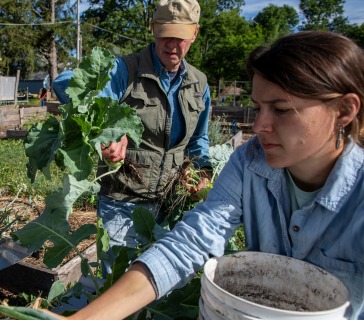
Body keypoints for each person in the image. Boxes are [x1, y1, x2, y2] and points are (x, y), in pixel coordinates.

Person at [48, 31, 364, 320]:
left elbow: (198, 141)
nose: (259, 126)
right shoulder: (249, 162)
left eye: (281, 109)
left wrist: (201, 167)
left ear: (345, 111)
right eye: (257, 108)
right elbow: (191, 243)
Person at [52, 0, 212, 259]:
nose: (171, 44)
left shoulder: (199, 84)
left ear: (195, 33)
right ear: (153, 29)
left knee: (159, 287)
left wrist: (202, 172)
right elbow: (65, 83)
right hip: (122, 202)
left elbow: (198, 139)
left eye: (180, 36)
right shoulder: (125, 70)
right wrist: (110, 127)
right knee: (117, 282)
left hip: (170, 205)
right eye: (164, 34)